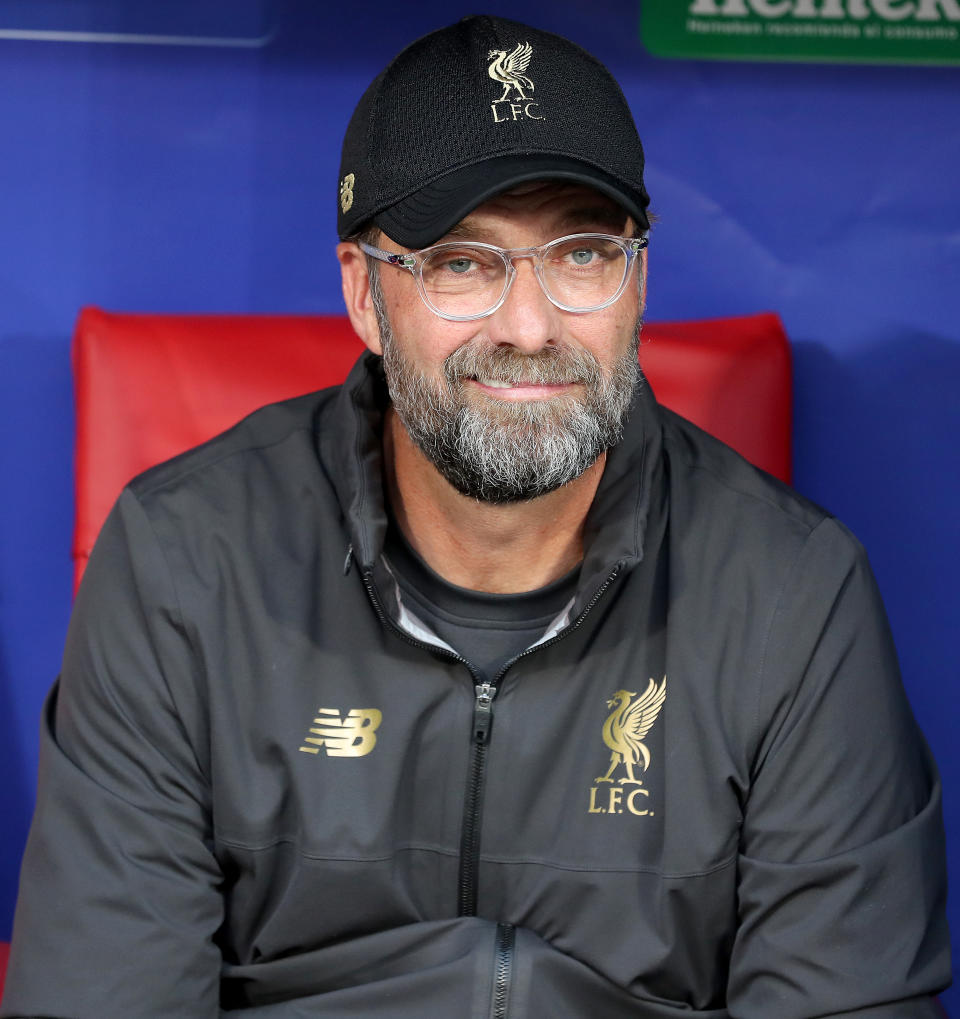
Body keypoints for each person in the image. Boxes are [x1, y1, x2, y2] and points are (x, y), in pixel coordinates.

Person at [1, 14, 950, 1019]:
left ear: (637, 277)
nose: (530, 325)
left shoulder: (795, 594)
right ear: (365, 294)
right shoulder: (183, 560)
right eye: (462, 262)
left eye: (582, 255)